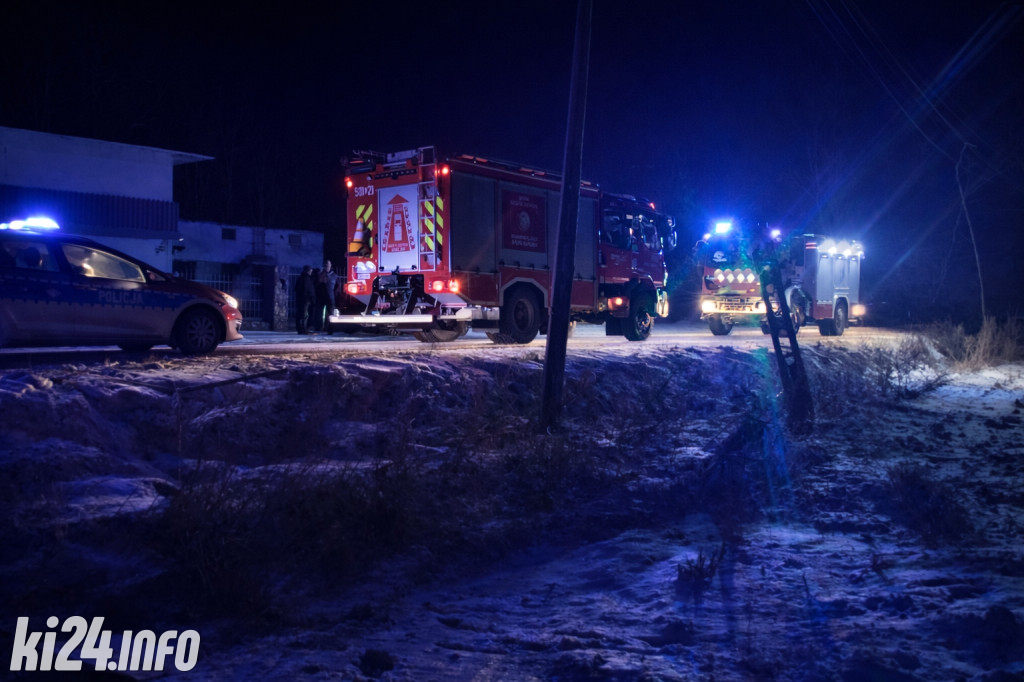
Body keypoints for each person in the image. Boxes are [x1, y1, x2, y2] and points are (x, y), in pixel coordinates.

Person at [295, 265, 316, 334]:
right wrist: (307, 298)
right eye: (310, 271)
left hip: (305, 300)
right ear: (307, 271)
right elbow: (305, 290)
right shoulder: (304, 279)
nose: (311, 272)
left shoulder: (306, 278)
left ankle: (302, 328)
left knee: (303, 314)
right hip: (304, 300)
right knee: (303, 315)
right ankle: (302, 329)